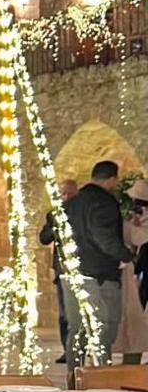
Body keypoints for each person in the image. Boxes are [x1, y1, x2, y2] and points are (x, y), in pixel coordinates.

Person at [61, 160, 135, 375]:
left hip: (71, 274)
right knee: (103, 327)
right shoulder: (104, 202)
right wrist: (127, 256)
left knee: (77, 329)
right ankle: (101, 376)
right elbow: (103, 237)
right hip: (99, 276)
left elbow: (47, 234)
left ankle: (74, 375)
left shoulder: (71, 203)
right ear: (111, 179)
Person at [37, 178, 79, 363]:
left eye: (70, 193)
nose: (66, 197)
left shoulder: (82, 212)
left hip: (82, 268)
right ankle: (67, 350)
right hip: (63, 270)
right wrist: (56, 226)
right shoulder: (54, 215)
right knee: (65, 315)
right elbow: (44, 238)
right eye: (63, 193)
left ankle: (80, 351)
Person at [114, 179, 148, 364]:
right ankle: (131, 360)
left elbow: (138, 238)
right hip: (138, 274)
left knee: (136, 319)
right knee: (134, 319)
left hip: (141, 274)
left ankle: (132, 360)